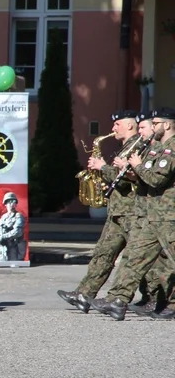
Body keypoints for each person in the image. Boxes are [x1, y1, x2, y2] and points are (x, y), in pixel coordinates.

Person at [90, 107, 175, 320]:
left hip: (167, 215)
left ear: (167, 125)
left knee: (170, 262)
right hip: (149, 212)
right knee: (134, 257)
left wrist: (136, 166)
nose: (151, 126)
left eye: (155, 123)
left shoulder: (171, 149)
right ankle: (117, 300)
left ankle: (170, 303)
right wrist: (132, 170)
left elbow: (157, 179)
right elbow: (144, 178)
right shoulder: (156, 149)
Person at [56, 110, 139, 311]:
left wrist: (103, 167)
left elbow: (131, 176)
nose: (112, 129)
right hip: (117, 211)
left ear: (129, 125)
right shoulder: (124, 147)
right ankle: (84, 294)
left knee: (141, 259)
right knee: (103, 254)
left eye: (116, 124)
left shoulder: (138, 146)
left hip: (131, 212)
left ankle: (160, 300)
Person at [0, 192, 26, 261]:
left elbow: (18, 232)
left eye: (14, 202)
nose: (12, 204)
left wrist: (3, 237)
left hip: (13, 248)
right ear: (5, 204)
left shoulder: (18, 216)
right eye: (9, 202)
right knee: (0, 268)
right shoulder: (3, 217)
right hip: (2, 248)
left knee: (13, 267)